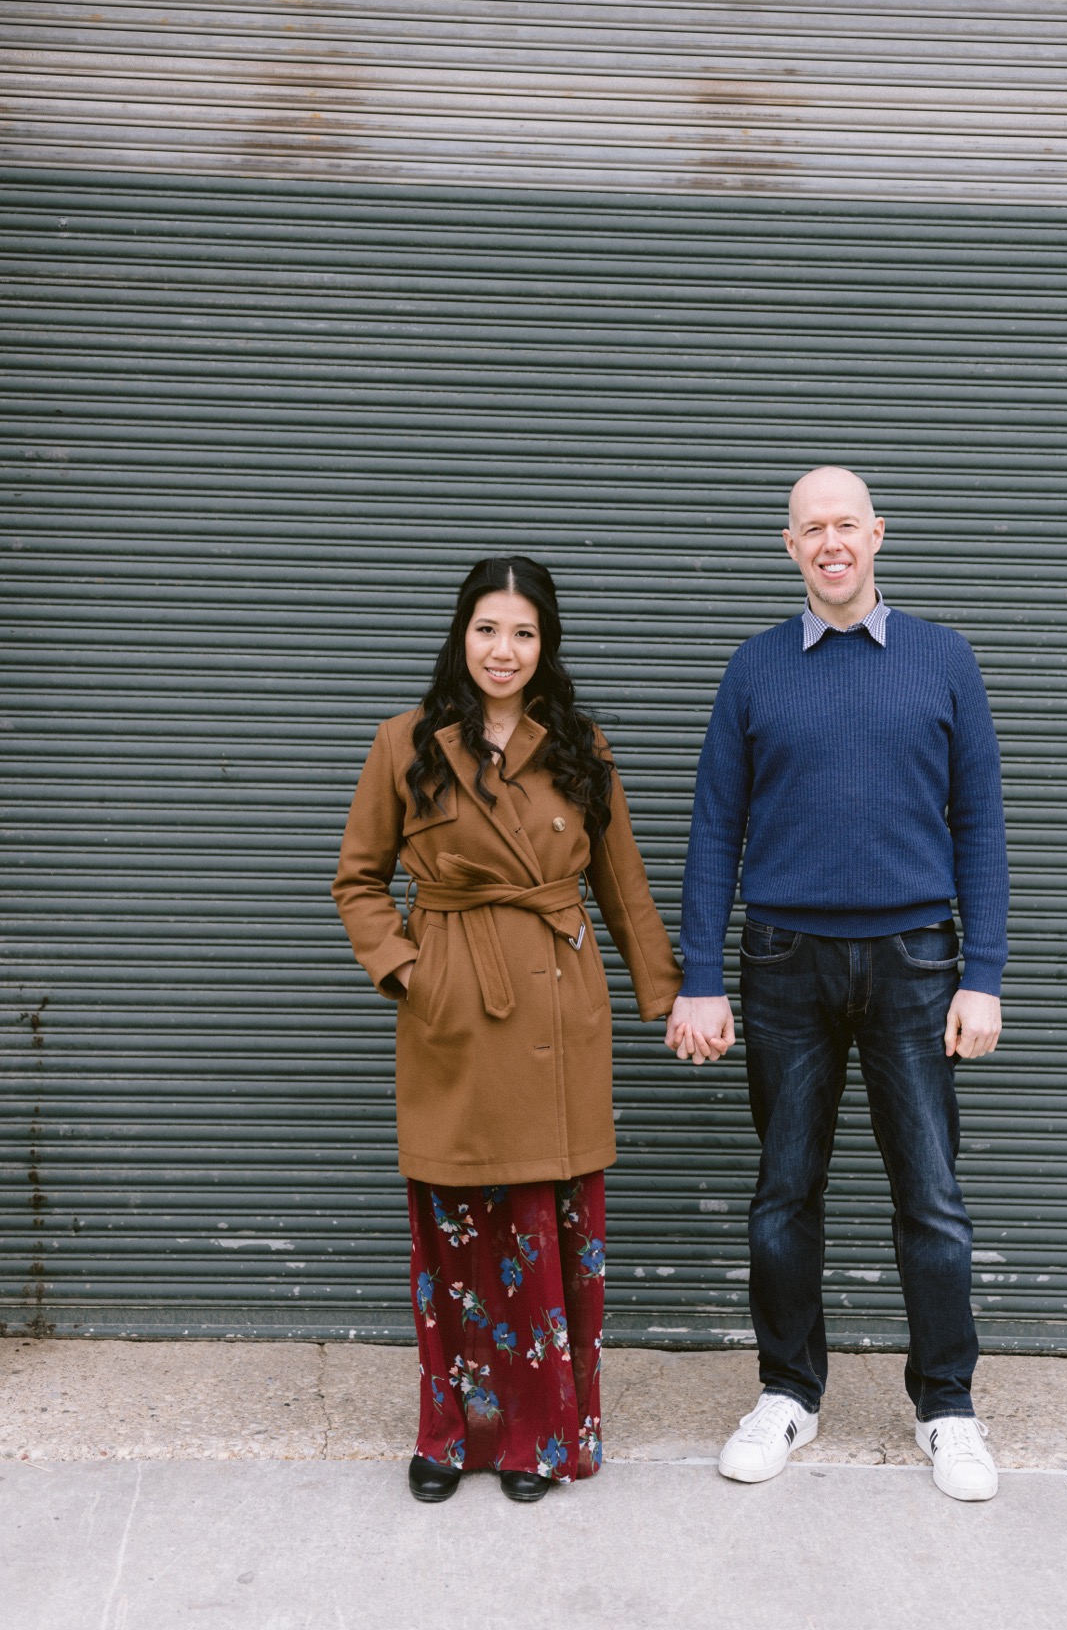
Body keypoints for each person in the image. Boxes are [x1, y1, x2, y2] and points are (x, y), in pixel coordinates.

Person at [668, 467, 1008, 1502]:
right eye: (810, 528)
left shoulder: (942, 660)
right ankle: (787, 1394)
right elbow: (713, 830)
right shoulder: (753, 670)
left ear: (876, 536)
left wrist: (981, 975)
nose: (829, 544)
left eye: (845, 526)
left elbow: (979, 826)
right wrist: (697, 978)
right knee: (782, 1194)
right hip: (780, 963)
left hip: (914, 961)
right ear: (788, 546)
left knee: (931, 1200)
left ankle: (945, 1407)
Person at [332, 556, 681, 1504]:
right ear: (462, 635)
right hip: (455, 1011)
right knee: (454, 1235)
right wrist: (410, 972)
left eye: (524, 633)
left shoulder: (578, 744)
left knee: (545, 1228)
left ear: (545, 646)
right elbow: (358, 881)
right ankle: (450, 1433)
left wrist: (675, 997)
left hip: (557, 1011)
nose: (504, 650)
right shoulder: (405, 743)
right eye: (489, 629)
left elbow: (623, 886)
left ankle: (541, 1435)